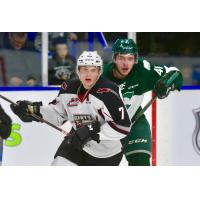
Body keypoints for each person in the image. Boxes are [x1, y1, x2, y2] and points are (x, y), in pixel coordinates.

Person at [10, 51, 131, 166]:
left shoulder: (109, 91)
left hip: (107, 152)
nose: (88, 74)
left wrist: (93, 131)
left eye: (93, 70)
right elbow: (57, 114)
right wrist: (34, 110)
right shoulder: (68, 87)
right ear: (78, 70)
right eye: (84, 69)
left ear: (99, 72)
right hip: (76, 143)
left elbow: (123, 126)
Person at [102, 38, 183, 166]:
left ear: (135, 59)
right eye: (121, 58)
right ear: (114, 59)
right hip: (105, 125)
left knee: (140, 160)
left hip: (134, 119)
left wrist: (167, 83)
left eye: (130, 58)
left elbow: (175, 73)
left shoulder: (143, 69)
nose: (126, 63)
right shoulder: (101, 76)